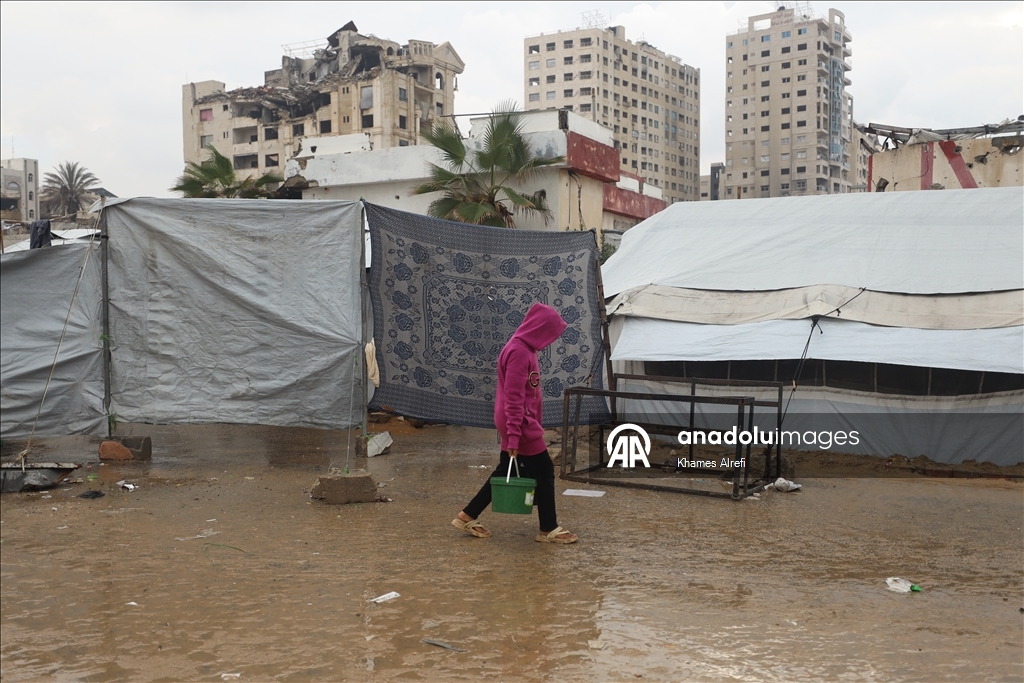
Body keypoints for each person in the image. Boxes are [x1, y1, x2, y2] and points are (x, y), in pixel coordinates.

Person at [452, 302, 578, 544]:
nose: (550, 340)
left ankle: (467, 515)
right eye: (549, 333)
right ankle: (548, 528)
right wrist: (513, 434)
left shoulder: (523, 348)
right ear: (539, 329)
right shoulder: (520, 352)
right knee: (544, 471)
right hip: (520, 422)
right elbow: (513, 395)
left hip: (518, 420)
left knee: (506, 470)